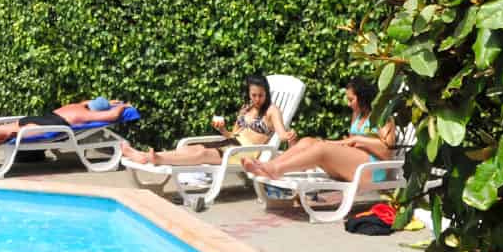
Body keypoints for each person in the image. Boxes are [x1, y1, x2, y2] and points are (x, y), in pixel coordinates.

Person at [120, 74, 292, 168]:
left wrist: (289, 136)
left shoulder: (272, 110)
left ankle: (155, 158)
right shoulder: (245, 108)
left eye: (261, 95)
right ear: (248, 93)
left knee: (201, 155)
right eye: (254, 95)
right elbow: (232, 134)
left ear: (266, 93)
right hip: (232, 143)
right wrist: (222, 129)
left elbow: (282, 133)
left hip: (245, 152)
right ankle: (143, 156)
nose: (257, 99)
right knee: (192, 148)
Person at [246, 76, 396, 183]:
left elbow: (388, 149)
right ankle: (269, 165)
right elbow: (350, 144)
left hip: (372, 170)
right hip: (354, 165)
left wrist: (358, 139)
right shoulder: (357, 114)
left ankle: (276, 169)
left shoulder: (382, 115)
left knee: (321, 148)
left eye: (351, 100)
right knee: (307, 141)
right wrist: (337, 142)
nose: (348, 104)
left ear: (363, 97)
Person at [0, 98, 133, 155]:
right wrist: (123, 107)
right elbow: (112, 115)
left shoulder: (77, 105)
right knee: (4, 132)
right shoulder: (86, 115)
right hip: (51, 126)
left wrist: (111, 101)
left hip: (39, 117)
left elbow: (96, 103)